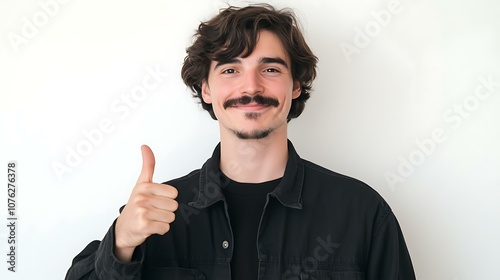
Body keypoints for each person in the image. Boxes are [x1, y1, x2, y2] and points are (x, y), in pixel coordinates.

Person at [65, 4, 416, 280]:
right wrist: (121, 243)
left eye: (271, 69)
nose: (251, 88)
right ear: (206, 88)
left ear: (295, 86)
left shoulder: (362, 213)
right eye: (230, 70)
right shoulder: (155, 217)